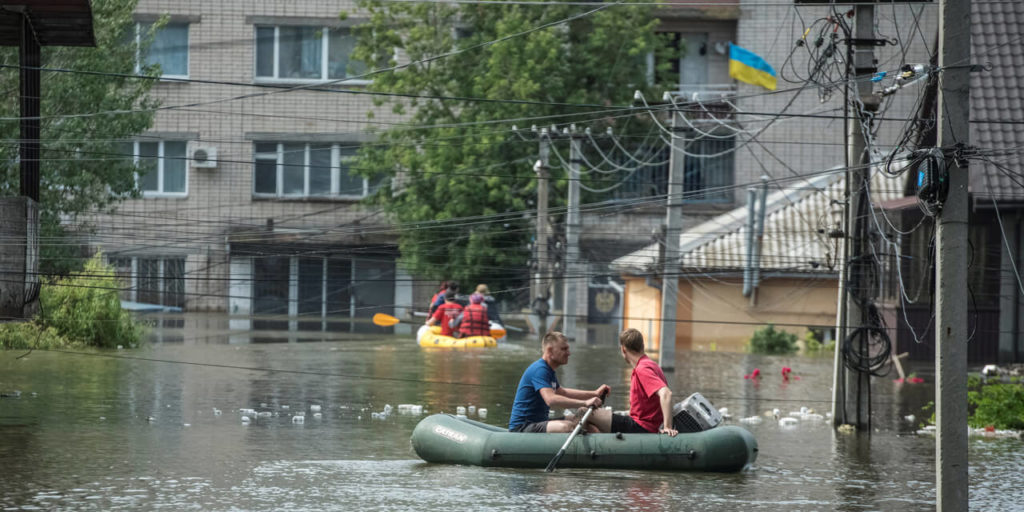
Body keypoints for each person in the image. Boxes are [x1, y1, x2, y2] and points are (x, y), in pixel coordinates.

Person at [508, 331, 611, 433]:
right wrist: (585, 403)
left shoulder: (549, 370)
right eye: (564, 349)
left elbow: (562, 392)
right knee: (567, 427)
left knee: (584, 421)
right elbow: (551, 399)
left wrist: (595, 393)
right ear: (550, 351)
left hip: (540, 422)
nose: (569, 353)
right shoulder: (539, 370)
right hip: (523, 427)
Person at [588, 328, 678, 437]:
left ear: (623, 349)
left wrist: (667, 427)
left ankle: (598, 444)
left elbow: (666, 394)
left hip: (641, 427)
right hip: (642, 422)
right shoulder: (651, 364)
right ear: (642, 346)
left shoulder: (642, 369)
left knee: (583, 412)